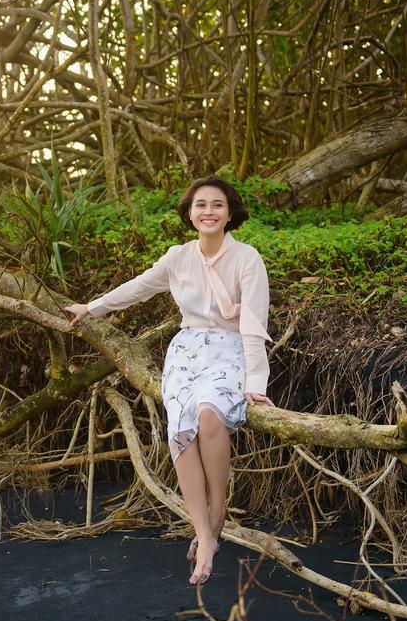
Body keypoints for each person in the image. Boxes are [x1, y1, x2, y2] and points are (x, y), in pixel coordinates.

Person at [64, 175, 273, 585]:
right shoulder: (178, 257)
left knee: (212, 415)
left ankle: (217, 514)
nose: (208, 211)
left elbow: (252, 323)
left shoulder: (247, 258)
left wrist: (257, 383)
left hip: (229, 350)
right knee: (182, 430)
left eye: (217, 204)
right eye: (200, 205)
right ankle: (204, 534)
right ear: (189, 214)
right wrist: (92, 307)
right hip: (187, 351)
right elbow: (138, 288)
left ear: (230, 213)